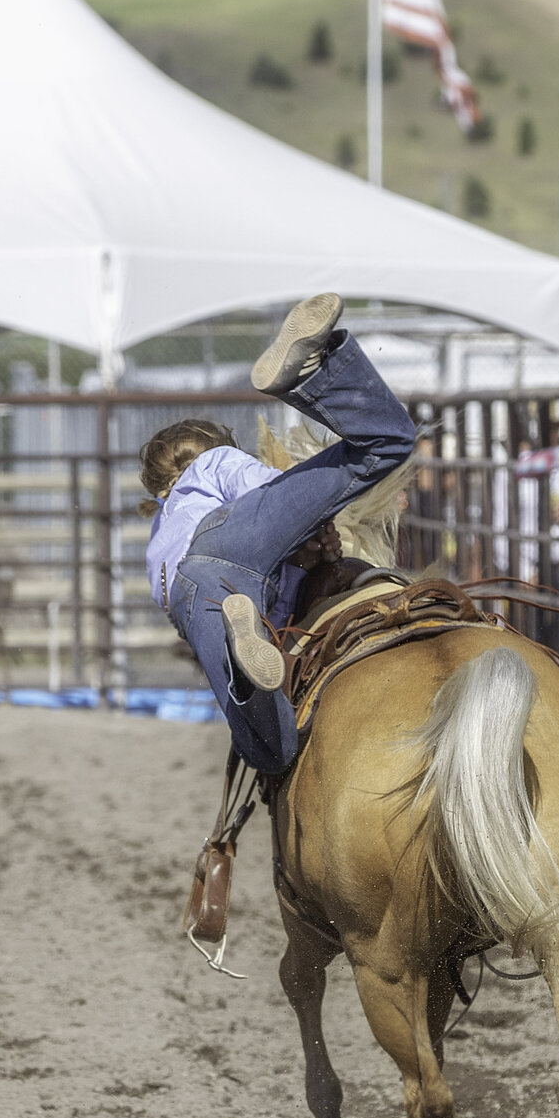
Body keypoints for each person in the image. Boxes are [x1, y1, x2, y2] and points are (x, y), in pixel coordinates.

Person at [141, 294, 417, 776]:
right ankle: (313, 373)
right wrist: (313, 531)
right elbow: (271, 491)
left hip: (195, 596)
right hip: (242, 537)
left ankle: (248, 668)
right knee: (387, 442)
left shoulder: (158, 551)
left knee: (271, 749)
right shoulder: (218, 462)